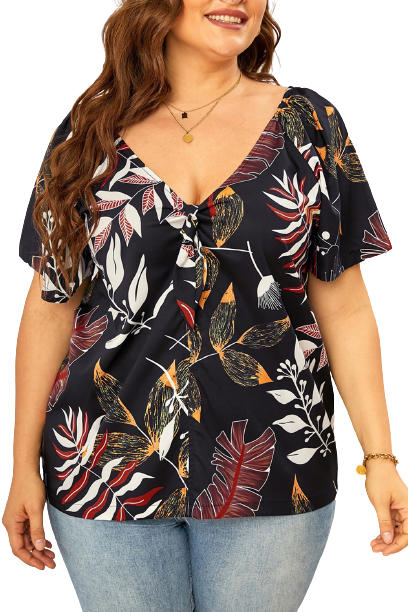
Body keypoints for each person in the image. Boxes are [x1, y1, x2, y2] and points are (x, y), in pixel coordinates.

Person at [4, 1, 407, 611]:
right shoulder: (87, 131)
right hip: (102, 467)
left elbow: (345, 306)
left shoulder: (309, 125)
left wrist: (380, 457)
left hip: (274, 469)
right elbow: (50, 308)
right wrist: (22, 469)